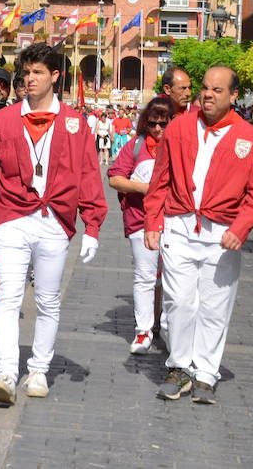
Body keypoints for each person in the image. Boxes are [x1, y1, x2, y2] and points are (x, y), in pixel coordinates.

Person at [0, 43, 107, 405]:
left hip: (54, 219)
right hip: (12, 216)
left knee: (48, 299)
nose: (30, 79)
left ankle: (39, 369)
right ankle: (7, 371)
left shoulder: (74, 123)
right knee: (8, 295)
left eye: (38, 72)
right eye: (26, 73)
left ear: (55, 76)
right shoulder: (5, 119)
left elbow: (88, 173)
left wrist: (93, 225)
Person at [144, 66, 253, 405]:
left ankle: (205, 372)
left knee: (215, 307)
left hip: (222, 234)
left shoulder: (248, 137)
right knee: (179, 302)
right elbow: (160, 178)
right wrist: (153, 221)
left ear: (233, 95)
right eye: (205, 88)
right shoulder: (179, 127)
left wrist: (240, 227)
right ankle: (179, 367)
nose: (208, 95)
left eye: (217, 90)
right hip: (179, 227)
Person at [108, 96, 174, 355]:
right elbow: (115, 178)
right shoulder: (136, 146)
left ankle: (169, 328)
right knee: (145, 276)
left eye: (163, 124)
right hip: (140, 220)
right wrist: (144, 188)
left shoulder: (180, 146)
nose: (157, 129)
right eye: (152, 123)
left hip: (173, 222)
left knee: (172, 278)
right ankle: (143, 330)